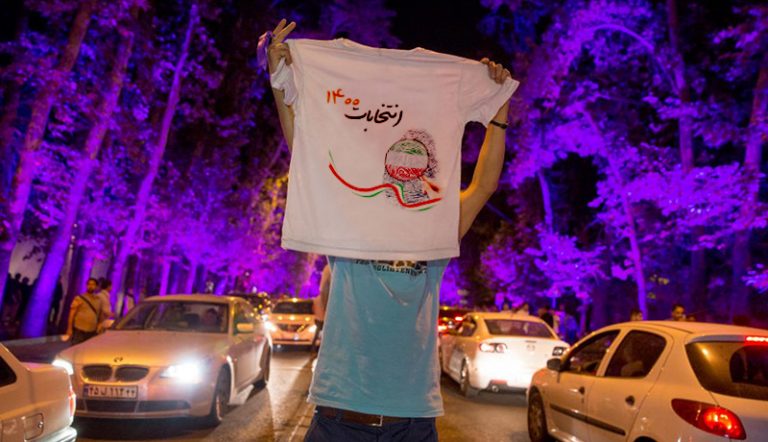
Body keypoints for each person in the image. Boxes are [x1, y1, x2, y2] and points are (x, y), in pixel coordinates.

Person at [268, 19, 514, 441]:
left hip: (411, 422)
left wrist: (498, 107)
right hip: (339, 418)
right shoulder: (348, 214)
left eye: (413, 160)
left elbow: (484, 185)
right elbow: (304, 150)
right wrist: (279, 77)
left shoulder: (437, 224)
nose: (405, 167)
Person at [64, 278, 109, 345]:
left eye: (93, 284)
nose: (90, 286)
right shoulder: (79, 298)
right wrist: (69, 328)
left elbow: (100, 315)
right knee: (76, 347)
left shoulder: (98, 300)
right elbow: (71, 314)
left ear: (96, 287)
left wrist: (99, 326)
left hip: (92, 330)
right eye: (89, 284)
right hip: (79, 329)